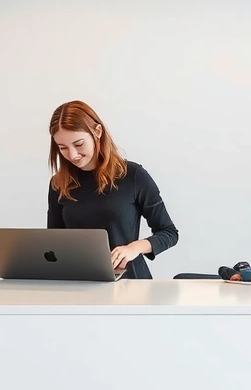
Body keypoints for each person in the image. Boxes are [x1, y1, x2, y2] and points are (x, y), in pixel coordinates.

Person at [47, 100, 179, 279]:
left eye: (78, 144)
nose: (72, 155)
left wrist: (134, 248)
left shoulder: (133, 175)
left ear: (97, 131)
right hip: (79, 284)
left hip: (130, 284)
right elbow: (54, 243)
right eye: (63, 148)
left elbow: (169, 232)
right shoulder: (59, 183)